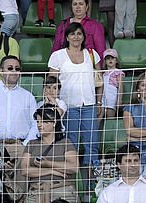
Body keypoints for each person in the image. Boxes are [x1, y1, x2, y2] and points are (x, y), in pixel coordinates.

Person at [48, 22, 102, 169]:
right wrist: (54, 103)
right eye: (72, 34)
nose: (76, 37)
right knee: (71, 144)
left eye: (79, 34)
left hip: (89, 105)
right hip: (68, 105)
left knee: (92, 144)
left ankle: (91, 181)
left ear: (84, 36)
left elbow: (100, 80)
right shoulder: (57, 56)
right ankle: (73, 178)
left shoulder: (91, 54)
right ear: (67, 37)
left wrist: (99, 102)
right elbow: (51, 83)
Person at [21, 108, 80, 203]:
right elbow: (24, 170)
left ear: (54, 123)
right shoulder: (32, 144)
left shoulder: (65, 142)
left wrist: (48, 163)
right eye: (38, 121)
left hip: (61, 189)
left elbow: (74, 167)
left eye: (44, 121)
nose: (39, 125)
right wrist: (51, 171)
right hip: (36, 190)